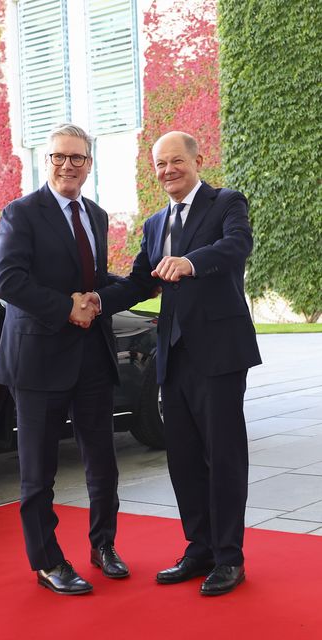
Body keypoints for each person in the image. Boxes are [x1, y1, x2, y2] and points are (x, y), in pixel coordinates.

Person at [82, 130, 262, 596]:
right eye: (160, 164)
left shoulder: (226, 203)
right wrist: (97, 300)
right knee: (182, 458)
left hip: (220, 354)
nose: (167, 171)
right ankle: (199, 547)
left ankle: (229, 557)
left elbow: (237, 246)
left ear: (198, 159)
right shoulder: (155, 223)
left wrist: (190, 262)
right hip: (173, 356)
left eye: (176, 161)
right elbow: (142, 281)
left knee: (222, 456)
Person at [0, 123, 133, 596]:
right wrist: (66, 306)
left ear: (89, 164)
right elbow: (7, 280)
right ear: (45, 160)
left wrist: (141, 283)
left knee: (104, 463)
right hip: (36, 361)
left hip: (90, 356)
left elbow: (89, 276)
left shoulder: (94, 214)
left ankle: (104, 545)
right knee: (39, 471)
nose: (68, 165)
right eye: (59, 157)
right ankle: (47, 561)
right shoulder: (20, 213)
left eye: (77, 158)